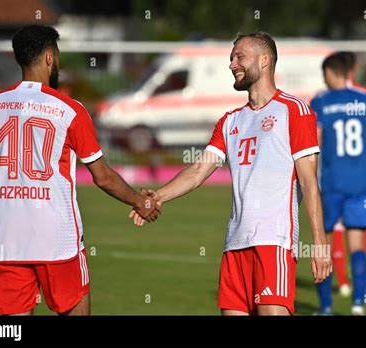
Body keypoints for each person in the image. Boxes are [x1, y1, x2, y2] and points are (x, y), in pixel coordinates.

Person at [130, 32, 332, 316]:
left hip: (273, 242)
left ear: (264, 61)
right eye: (230, 58)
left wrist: (320, 243)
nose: (232, 64)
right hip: (234, 245)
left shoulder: (294, 111)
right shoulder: (230, 121)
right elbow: (200, 169)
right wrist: (157, 197)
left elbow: (310, 182)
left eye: (239, 57)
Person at [0, 25, 160, 316]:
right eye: (56, 55)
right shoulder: (70, 110)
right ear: (49, 57)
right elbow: (103, 176)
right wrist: (140, 201)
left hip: (3, 243)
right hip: (57, 242)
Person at [310, 54, 366, 315]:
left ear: (331, 72)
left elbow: (314, 142)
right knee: (357, 246)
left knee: (324, 245)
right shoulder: (365, 100)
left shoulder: (320, 102)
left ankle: (326, 307)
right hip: (359, 185)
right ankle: (358, 304)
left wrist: (310, 180)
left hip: (330, 185)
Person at [327, 51, 366, 297]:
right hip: (361, 178)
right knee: (360, 229)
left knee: (335, 230)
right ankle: (353, 281)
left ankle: (341, 283)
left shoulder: (325, 99)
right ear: (353, 69)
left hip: (333, 178)